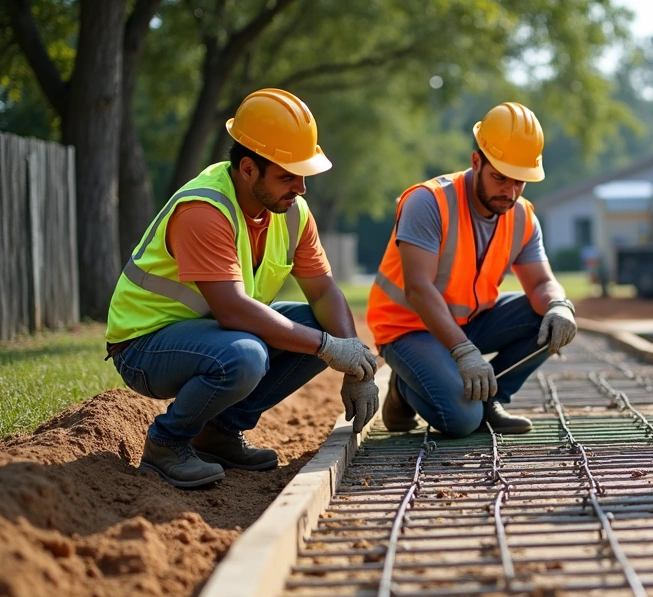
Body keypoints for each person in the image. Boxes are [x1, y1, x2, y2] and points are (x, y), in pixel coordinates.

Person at [105, 88, 380, 488]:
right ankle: (166, 443)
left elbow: (323, 293)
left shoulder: (291, 213)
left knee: (318, 324)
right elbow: (233, 310)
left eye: (302, 174)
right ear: (248, 168)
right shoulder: (205, 209)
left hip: (212, 335)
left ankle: (218, 434)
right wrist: (327, 346)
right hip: (144, 345)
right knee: (250, 355)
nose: (301, 187)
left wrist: (353, 361)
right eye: (288, 176)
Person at [367, 102, 577, 437]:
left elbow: (540, 283)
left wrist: (559, 306)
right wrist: (464, 351)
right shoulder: (429, 202)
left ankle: (492, 400)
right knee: (461, 420)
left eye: (519, 182)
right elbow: (418, 288)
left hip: (467, 322)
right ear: (476, 161)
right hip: (408, 327)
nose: (509, 192)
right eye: (499, 177)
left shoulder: (522, 216)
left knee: (548, 320)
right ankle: (403, 389)